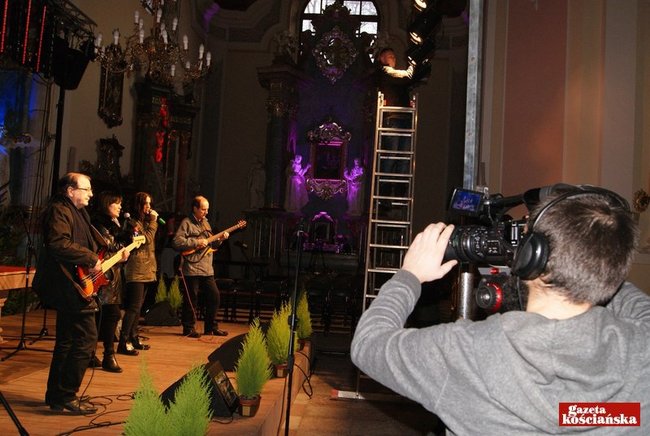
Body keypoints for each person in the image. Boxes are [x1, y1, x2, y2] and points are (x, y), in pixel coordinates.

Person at [351, 186, 650, 434]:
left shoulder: (465, 352)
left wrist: (410, 276)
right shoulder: (642, 350)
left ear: (531, 257)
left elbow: (368, 343)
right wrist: (596, 264)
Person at [33, 172, 105, 414]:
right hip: (65, 285)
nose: (91, 194)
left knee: (66, 341)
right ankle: (66, 394)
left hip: (72, 283)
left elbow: (85, 245)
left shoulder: (78, 212)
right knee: (86, 339)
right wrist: (91, 258)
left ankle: (56, 395)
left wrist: (103, 256)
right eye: (86, 189)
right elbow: (58, 243)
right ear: (70, 191)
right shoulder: (59, 210)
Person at [172, 196, 229, 338]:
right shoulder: (186, 222)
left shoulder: (206, 223)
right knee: (191, 299)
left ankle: (210, 327)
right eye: (203, 209)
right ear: (195, 209)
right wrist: (196, 242)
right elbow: (177, 242)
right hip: (192, 268)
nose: (206, 212)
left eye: (207, 209)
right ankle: (188, 328)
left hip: (207, 268)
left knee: (214, 297)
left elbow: (211, 244)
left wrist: (220, 240)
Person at [90, 192, 131, 373]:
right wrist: (121, 250)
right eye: (117, 203)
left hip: (113, 274)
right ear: (107, 204)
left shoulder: (116, 223)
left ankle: (100, 354)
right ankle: (106, 354)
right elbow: (107, 245)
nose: (120, 207)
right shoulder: (99, 222)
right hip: (102, 275)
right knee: (106, 314)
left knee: (109, 315)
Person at [119, 192, 158, 355]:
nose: (149, 207)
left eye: (150, 204)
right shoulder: (132, 222)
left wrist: (150, 222)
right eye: (146, 204)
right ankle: (123, 342)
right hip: (136, 269)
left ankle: (134, 338)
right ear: (138, 205)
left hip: (147, 268)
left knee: (139, 307)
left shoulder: (144, 221)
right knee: (133, 307)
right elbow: (143, 240)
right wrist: (154, 223)